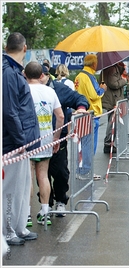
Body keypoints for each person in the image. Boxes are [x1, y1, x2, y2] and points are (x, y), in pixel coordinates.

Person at [2, 32, 41, 245]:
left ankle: (18, 227)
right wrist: (20, 142)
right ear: (25, 48)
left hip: (20, 141)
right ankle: (7, 230)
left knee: (21, 187)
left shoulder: (13, 71)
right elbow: (9, 111)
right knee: (10, 190)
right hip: (13, 143)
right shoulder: (8, 72)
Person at [45, 67, 89, 218]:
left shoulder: (59, 89)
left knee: (60, 172)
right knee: (43, 174)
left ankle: (61, 201)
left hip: (58, 137)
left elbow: (80, 98)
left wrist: (82, 108)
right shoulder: (28, 88)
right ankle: (46, 204)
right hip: (37, 139)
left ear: (46, 76)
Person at [25, 62, 64, 226]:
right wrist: (56, 137)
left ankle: (26, 215)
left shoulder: (24, 90)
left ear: (24, 75)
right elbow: (60, 116)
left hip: (27, 139)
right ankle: (45, 212)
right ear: (42, 75)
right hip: (46, 139)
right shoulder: (50, 91)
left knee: (28, 178)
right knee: (43, 176)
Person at [75, 54, 107, 154]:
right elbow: (95, 94)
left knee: (82, 144)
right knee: (90, 146)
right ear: (93, 64)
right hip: (92, 114)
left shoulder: (79, 76)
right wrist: (102, 89)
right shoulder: (89, 77)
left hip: (81, 113)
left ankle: (82, 167)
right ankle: (87, 168)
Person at [100, 61, 129, 154]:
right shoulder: (111, 68)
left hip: (114, 98)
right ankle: (108, 143)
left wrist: (123, 74)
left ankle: (110, 142)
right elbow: (114, 84)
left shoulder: (114, 68)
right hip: (113, 99)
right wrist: (124, 80)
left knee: (113, 121)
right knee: (112, 121)